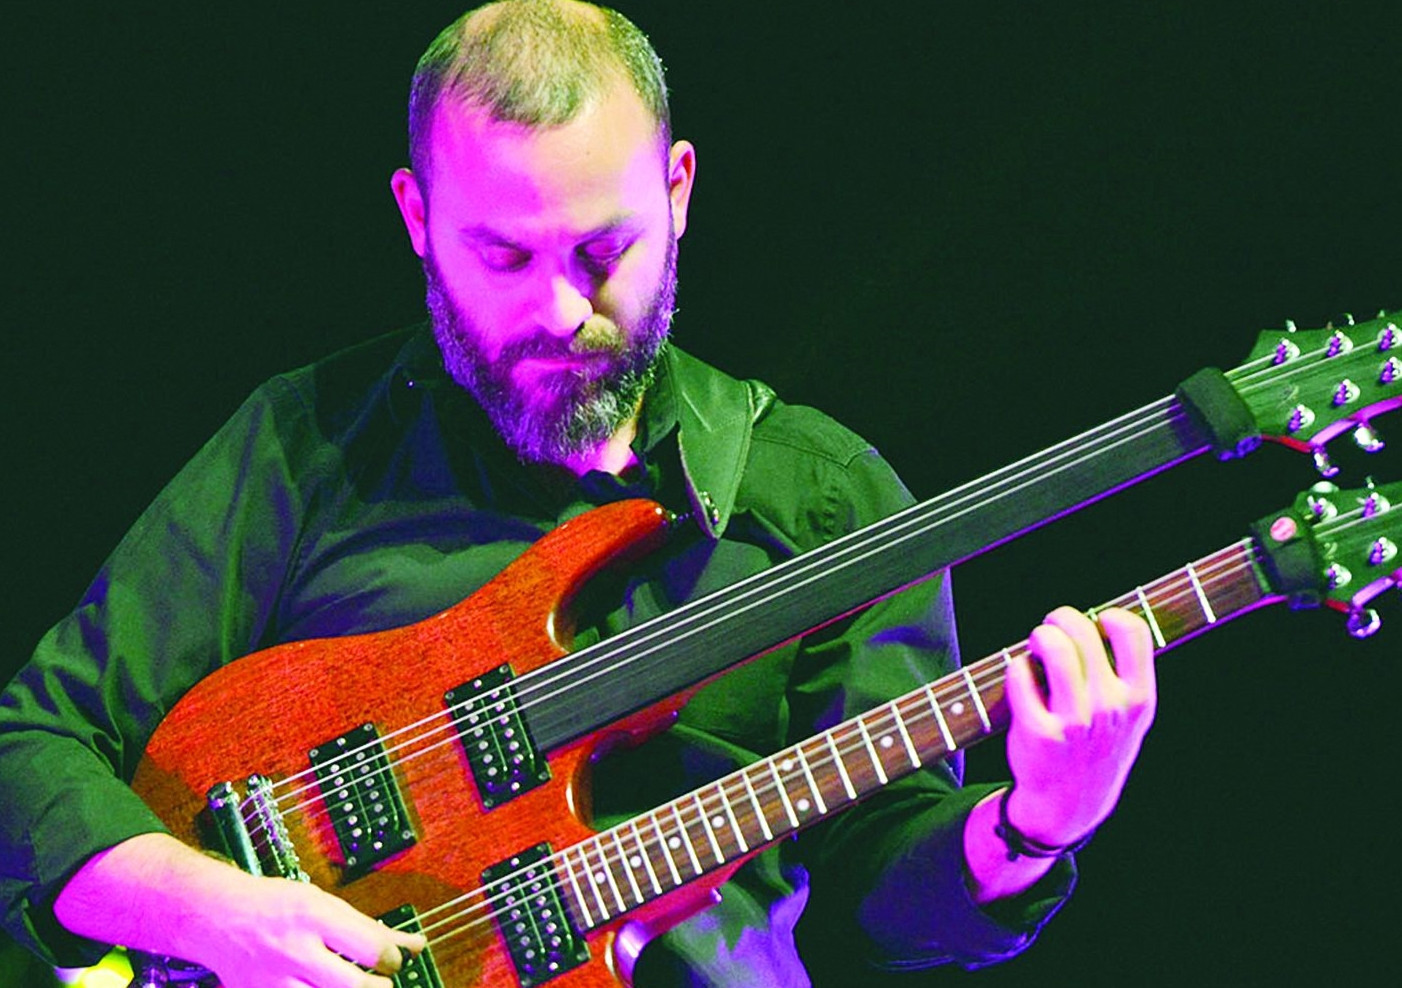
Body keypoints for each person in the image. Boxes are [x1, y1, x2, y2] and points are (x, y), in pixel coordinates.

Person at [0, 2, 1156, 986]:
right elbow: (31, 750)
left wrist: (1030, 827)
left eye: (604, 252)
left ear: (678, 190)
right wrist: (213, 913)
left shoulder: (825, 502)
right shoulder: (304, 447)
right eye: (504, 257)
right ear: (416, 218)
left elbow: (879, 892)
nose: (562, 310)